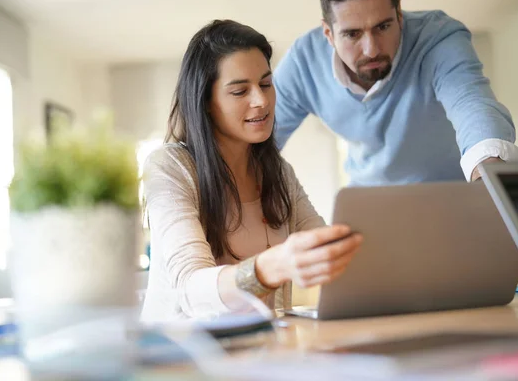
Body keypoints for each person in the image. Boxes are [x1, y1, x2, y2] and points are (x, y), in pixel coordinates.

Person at [140, 20, 363, 322]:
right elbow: (192, 291)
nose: (261, 101)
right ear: (206, 101)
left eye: (266, 84)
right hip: (182, 359)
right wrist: (271, 266)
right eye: (240, 91)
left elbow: (321, 243)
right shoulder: (170, 167)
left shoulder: (278, 171)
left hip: (258, 353)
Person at [274, 0, 518, 186]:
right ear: (328, 33)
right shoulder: (303, 63)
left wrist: (489, 178)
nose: (371, 50)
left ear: (400, 17)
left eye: (383, 27)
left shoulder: (438, 37)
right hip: (368, 199)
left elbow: (471, 103)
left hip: (453, 191)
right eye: (352, 34)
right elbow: (259, 141)